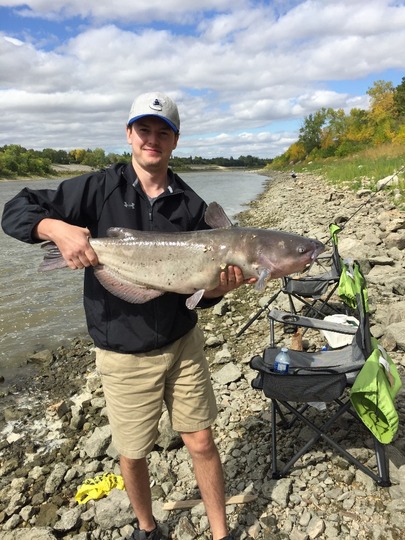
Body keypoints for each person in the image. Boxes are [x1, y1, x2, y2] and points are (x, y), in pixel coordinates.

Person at [1, 92, 256, 540]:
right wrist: (56, 229)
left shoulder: (192, 205)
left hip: (182, 343)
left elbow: (199, 296)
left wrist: (219, 289)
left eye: (163, 132)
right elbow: (16, 209)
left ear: (175, 141)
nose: (152, 140)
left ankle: (221, 533)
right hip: (123, 350)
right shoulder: (97, 188)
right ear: (129, 135)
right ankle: (147, 527)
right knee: (134, 452)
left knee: (201, 441)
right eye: (145, 130)